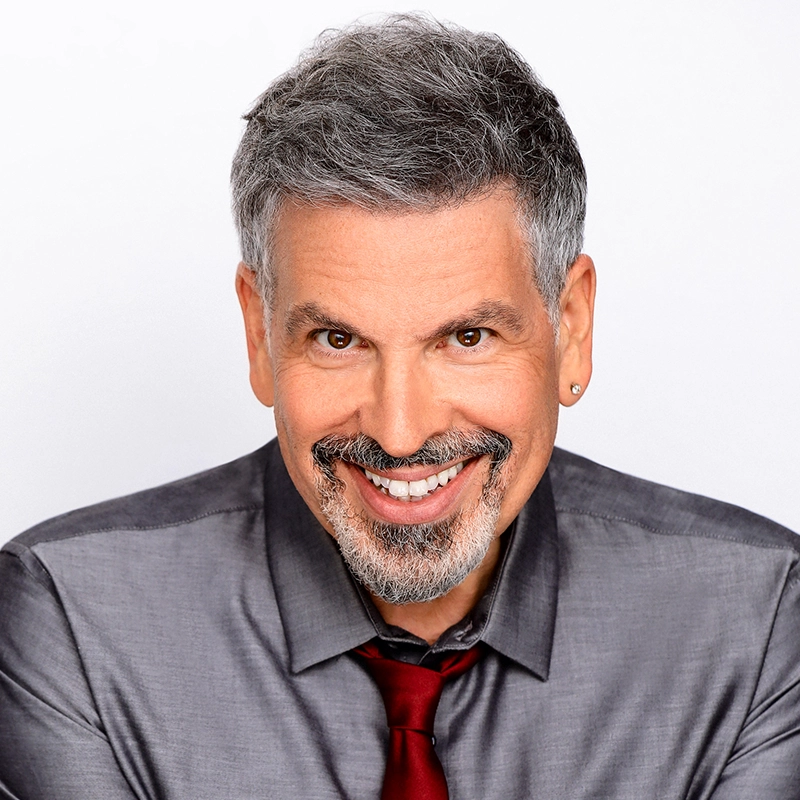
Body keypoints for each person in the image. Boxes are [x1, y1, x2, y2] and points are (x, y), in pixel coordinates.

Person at [1, 14, 798, 800]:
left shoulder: (759, 620)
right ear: (258, 333)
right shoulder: (69, 622)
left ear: (573, 329)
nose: (400, 430)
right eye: (338, 340)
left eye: (468, 336)